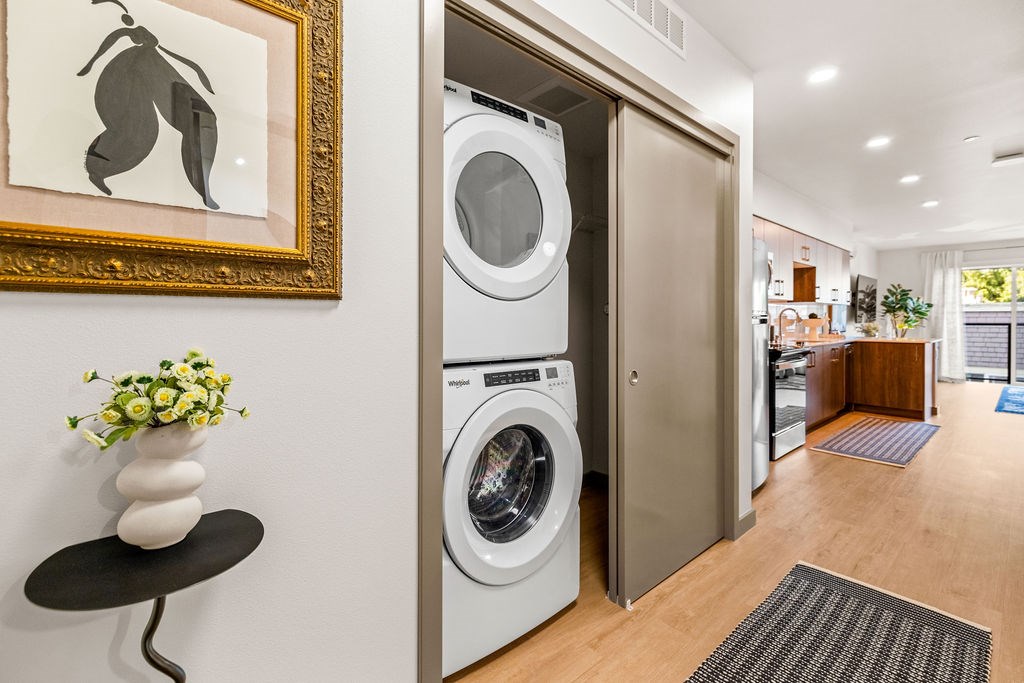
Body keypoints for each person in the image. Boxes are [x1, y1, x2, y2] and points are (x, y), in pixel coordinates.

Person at [78, 0, 220, 209]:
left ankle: (202, 186)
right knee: (143, 130)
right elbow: (117, 34)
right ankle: (98, 170)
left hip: (144, 67)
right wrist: (91, 63)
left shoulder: (147, 51)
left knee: (197, 118)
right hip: (131, 71)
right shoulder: (136, 52)